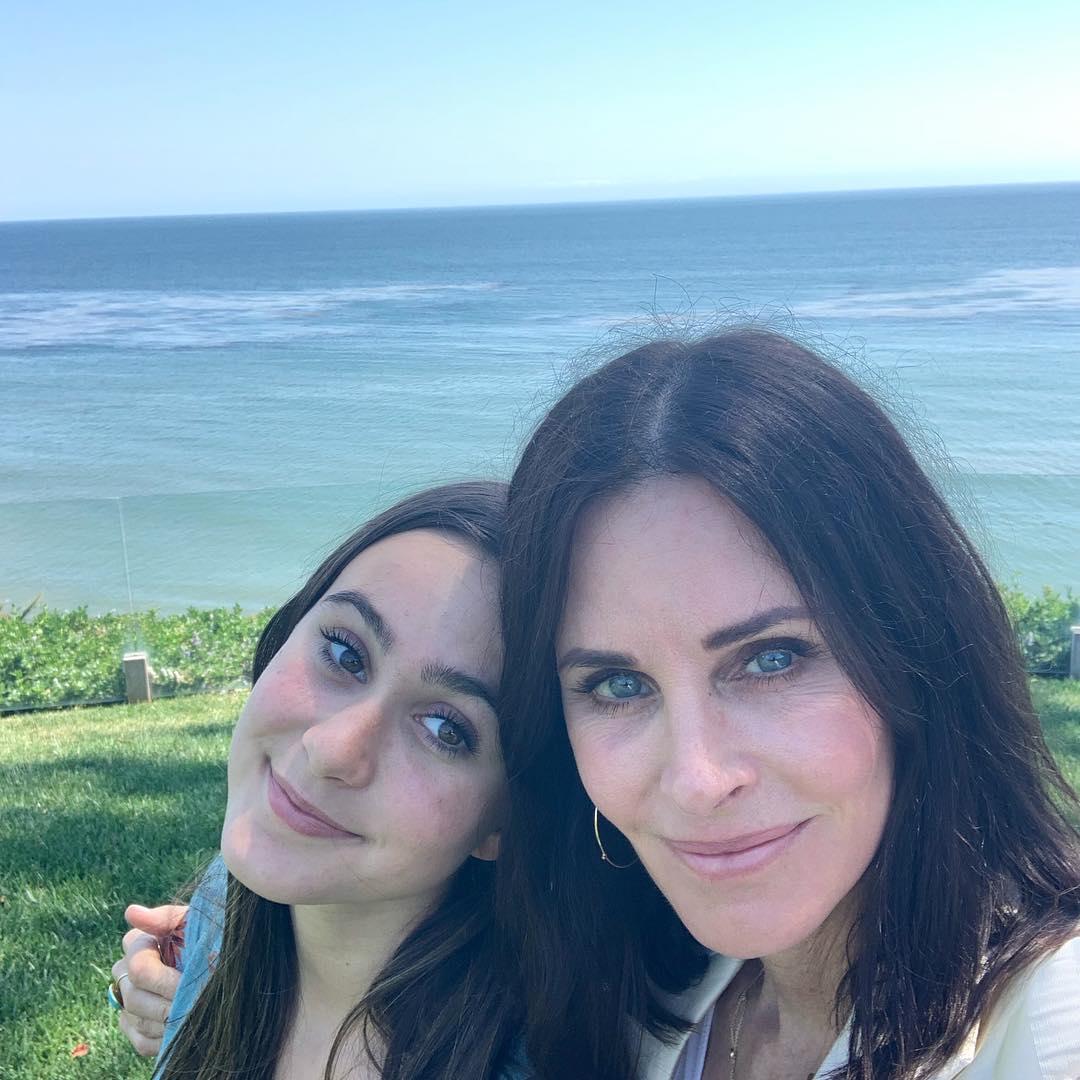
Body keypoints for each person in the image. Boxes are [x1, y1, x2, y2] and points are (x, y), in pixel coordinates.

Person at [495, 329, 1080, 1079]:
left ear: (915, 651)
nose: (698, 779)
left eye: (771, 660)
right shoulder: (644, 1000)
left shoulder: (1048, 1027)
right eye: (618, 685)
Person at [112, 481, 526, 1080]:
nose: (334, 748)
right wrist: (163, 994)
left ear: (504, 824)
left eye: (445, 728)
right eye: (344, 653)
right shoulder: (222, 911)